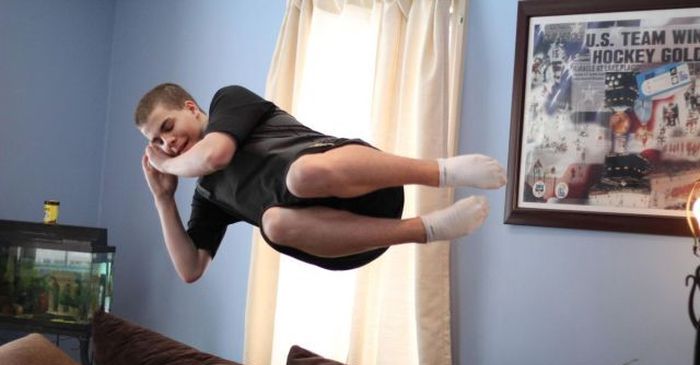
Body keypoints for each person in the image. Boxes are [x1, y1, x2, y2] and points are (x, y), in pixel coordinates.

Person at [135, 83, 506, 281]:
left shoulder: (227, 101)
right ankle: (428, 229)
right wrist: (163, 199)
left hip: (369, 187)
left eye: (168, 127)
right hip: (348, 240)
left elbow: (215, 155)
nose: (168, 143)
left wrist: (166, 164)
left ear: (190, 108)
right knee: (272, 224)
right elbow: (191, 269)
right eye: (157, 142)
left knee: (301, 175)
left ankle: (444, 172)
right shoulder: (209, 194)